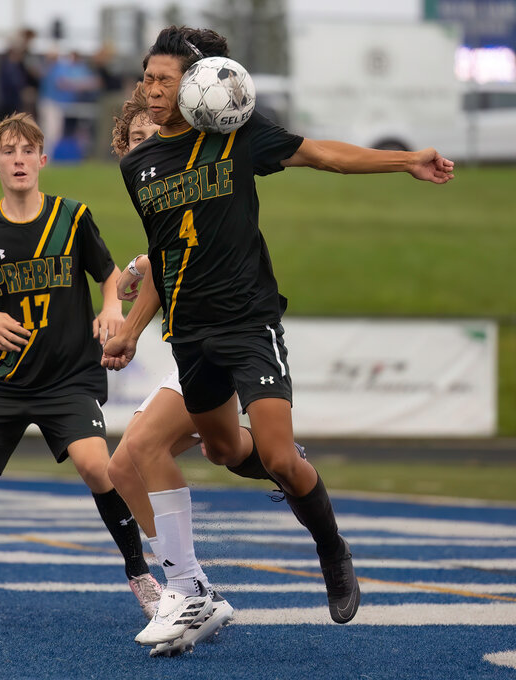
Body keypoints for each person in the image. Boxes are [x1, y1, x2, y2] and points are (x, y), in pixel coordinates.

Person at [103, 26, 455, 649]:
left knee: (279, 456)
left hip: (247, 320)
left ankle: (330, 549)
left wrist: (404, 160)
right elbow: (163, 254)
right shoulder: (137, 165)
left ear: (194, 84)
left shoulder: (235, 137)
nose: (151, 90)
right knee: (218, 451)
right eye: (148, 79)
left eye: (164, 80)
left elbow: (321, 153)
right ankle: (195, 584)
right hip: (189, 332)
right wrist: (133, 328)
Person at [0, 112, 161, 626]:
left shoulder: (72, 216)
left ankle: (141, 575)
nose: (19, 159)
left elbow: (110, 276)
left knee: (98, 466)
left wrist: (112, 306)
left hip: (67, 377)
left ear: (42, 160)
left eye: (28, 150)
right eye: (9, 151)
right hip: (2, 379)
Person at [106, 85, 302, 656]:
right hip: (188, 346)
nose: (147, 149)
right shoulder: (152, 192)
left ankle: (187, 586)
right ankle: (187, 582)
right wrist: (133, 287)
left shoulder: (194, 180)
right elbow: (158, 265)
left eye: (153, 136)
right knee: (125, 468)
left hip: (217, 336)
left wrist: (128, 321)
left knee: (146, 449)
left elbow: (172, 268)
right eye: (136, 140)